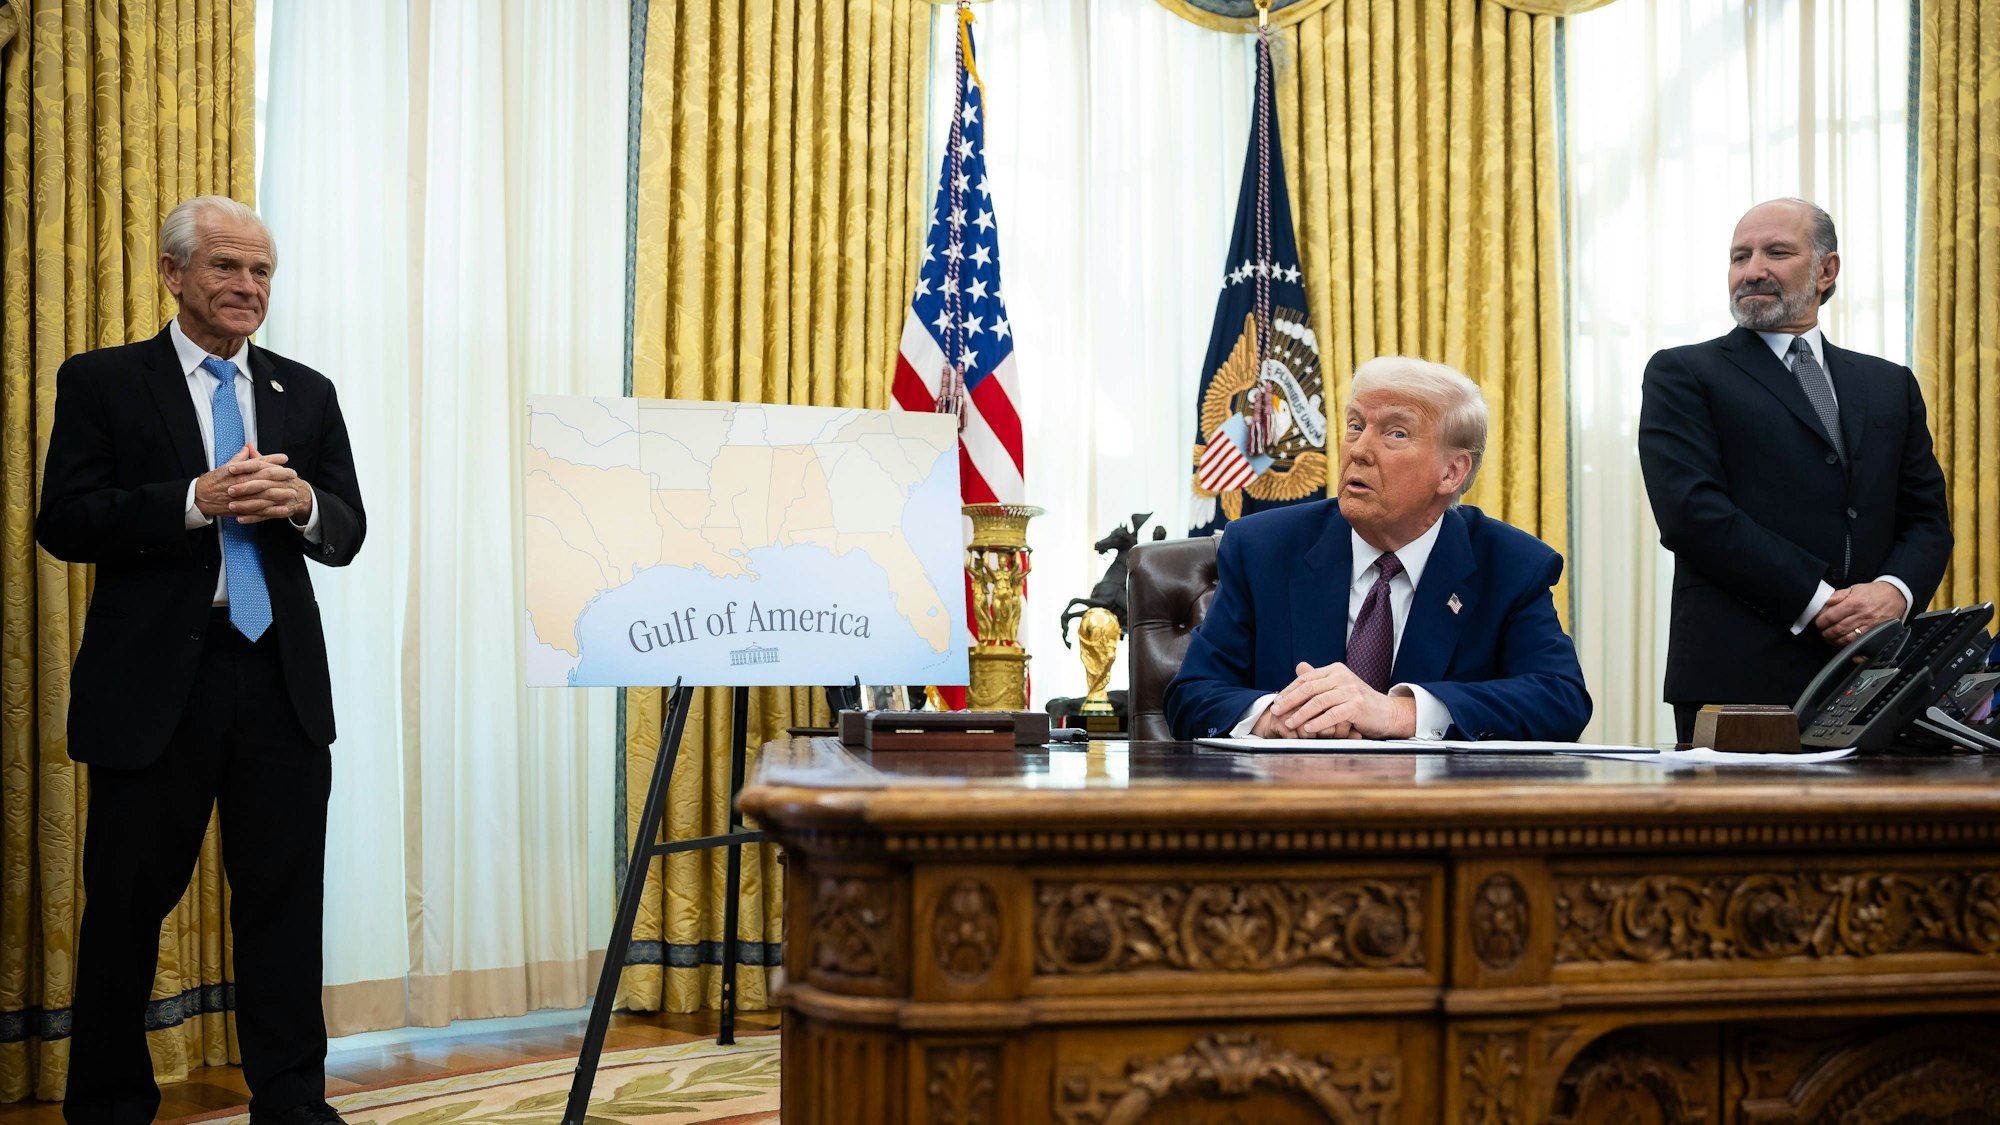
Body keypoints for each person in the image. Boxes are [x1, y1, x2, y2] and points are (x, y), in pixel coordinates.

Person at [37, 196, 365, 1125]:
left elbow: (347, 529)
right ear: (174, 274)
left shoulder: (307, 390)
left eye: (261, 271)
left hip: (278, 683)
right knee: (126, 914)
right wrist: (193, 497)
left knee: (285, 907)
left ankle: (294, 1102)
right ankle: (106, 1106)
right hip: (153, 690)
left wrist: (302, 503)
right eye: (227, 267)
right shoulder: (102, 380)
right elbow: (64, 520)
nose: (247, 287)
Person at [1638, 199, 1951, 742]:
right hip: (1738, 678)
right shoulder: (1683, 372)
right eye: (1740, 256)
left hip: (1877, 672)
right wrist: (1820, 601)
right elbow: (1692, 515)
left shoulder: (1889, 384)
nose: (1752, 270)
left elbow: (1926, 519)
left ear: (1826, 270)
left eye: (1776, 252)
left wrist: (1893, 593)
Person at [1165, 355, 1592, 743]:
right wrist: (1274, 718)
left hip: (1436, 819)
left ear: (1451, 472)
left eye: (1395, 432)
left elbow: (1560, 699)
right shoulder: (1262, 548)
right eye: (1355, 425)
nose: (1359, 450)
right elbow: (1193, 695)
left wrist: (1398, 712)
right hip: (1291, 810)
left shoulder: (1511, 566)